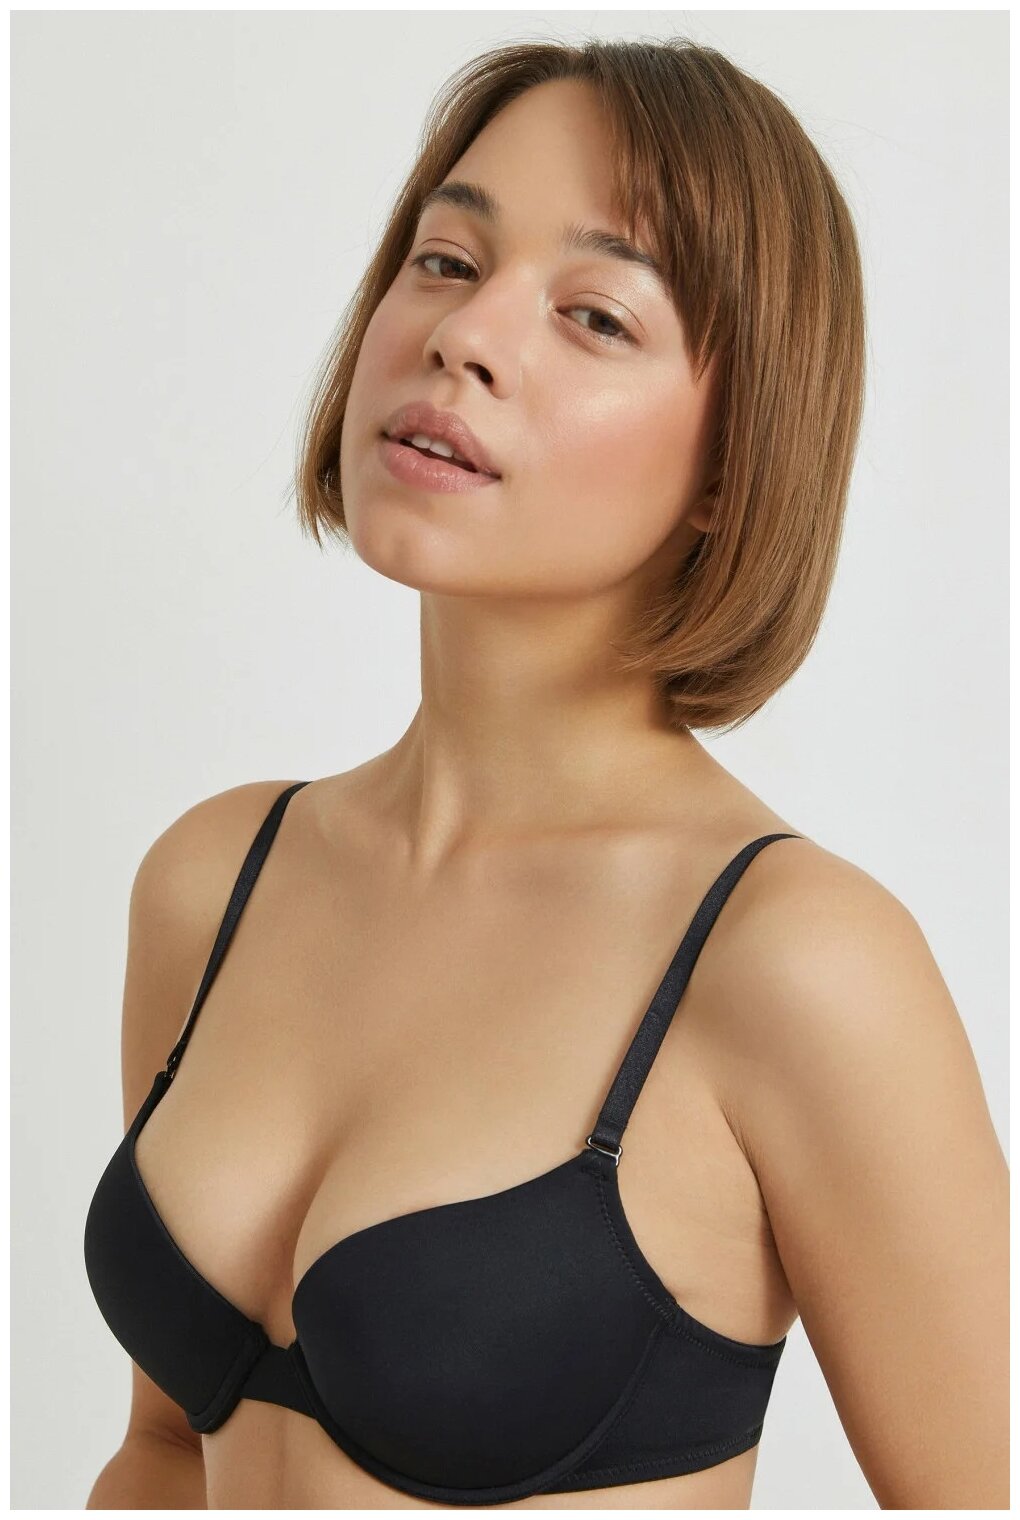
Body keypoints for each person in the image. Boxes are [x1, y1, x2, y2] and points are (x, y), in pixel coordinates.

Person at [84, 37, 1008, 1510]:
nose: (464, 334)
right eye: (446, 261)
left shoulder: (795, 964)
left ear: (733, 463)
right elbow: (159, 1455)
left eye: (594, 314)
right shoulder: (212, 881)